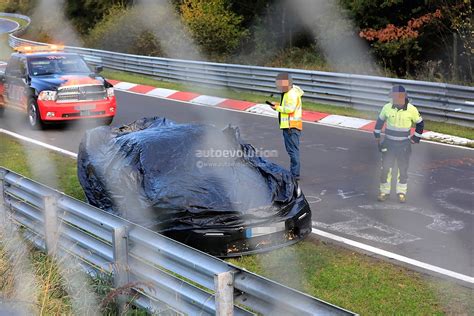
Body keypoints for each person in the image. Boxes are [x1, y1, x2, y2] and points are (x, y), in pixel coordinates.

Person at [374, 85, 424, 203]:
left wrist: (415, 138)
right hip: (389, 144)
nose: (394, 99)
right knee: (386, 168)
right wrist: (377, 137)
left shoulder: (411, 109)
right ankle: (384, 192)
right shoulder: (387, 107)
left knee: (403, 169)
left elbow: (420, 124)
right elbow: (379, 123)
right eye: (393, 97)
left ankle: (401, 193)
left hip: (404, 145)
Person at [268, 72, 304, 180]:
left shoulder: (291, 94)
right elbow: (286, 106)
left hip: (291, 127)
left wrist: (277, 108)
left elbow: (290, 109)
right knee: (292, 151)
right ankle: (294, 172)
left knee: (293, 151)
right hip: (289, 126)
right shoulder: (289, 92)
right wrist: (278, 105)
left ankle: (294, 174)